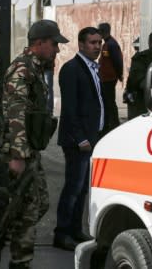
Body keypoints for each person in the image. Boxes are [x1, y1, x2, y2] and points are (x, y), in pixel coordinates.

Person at [0, 19, 68, 269]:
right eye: (53, 44)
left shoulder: (36, 68)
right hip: (21, 150)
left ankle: (7, 235)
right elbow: (16, 113)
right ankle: (20, 262)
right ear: (38, 44)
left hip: (29, 149)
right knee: (29, 210)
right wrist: (18, 154)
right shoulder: (22, 69)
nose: (57, 50)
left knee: (39, 204)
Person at [54, 27, 104, 251]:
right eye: (92, 43)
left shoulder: (94, 68)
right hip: (78, 141)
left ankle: (75, 230)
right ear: (81, 45)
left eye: (99, 42)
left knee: (82, 188)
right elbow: (70, 109)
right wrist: (80, 137)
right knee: (73, 188)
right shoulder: (71, 69)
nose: (97, 46)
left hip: (91, 139)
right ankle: (62, 233)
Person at [97, 22, 123, 132]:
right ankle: (109, 123)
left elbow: (117, 61)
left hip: (109, 79)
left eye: (99, 32)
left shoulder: (111, 44)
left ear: (103, 32)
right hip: (105, 78)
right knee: (107, 101)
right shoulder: (106, 44)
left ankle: (114, 125)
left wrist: (119, 75)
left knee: (110, 102)